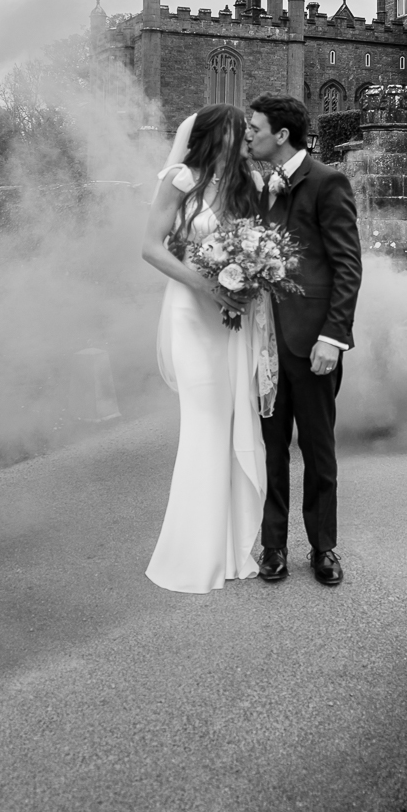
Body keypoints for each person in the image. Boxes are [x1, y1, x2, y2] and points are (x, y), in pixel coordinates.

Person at [139, 104, 276, 593]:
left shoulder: (251, 187)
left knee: (232, 421)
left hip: (231, 318)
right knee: (204, 423)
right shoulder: (181, 179)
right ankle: (193, 552)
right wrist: (204, 284)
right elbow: (151, 247)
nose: (247, 140)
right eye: (241, 132)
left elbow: (260, 244)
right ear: (219, 135)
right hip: (191, 313)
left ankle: (235, 547)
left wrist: (251, 276)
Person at [244, 93, 362, 586]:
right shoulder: (257, 187)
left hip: (313, 342)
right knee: (270, 449)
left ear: (282, 135)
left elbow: (347, 266)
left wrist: (333, 338)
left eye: (254, 128)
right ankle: (272, 546)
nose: (247, 135)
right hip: (266, 341)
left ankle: (323, 547)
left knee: (317, 449)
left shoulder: (327, 182)